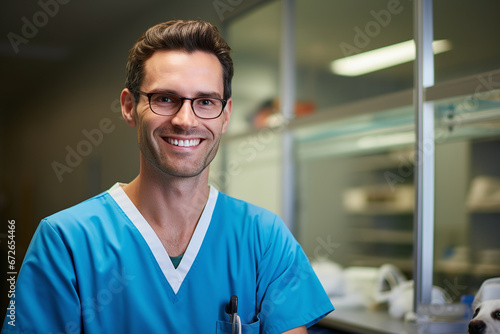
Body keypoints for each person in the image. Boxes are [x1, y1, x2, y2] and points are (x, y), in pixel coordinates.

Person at [2, 20, 334, 333]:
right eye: (165, 98)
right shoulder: (66, 242)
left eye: (205, 101)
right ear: (129, 106)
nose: (185, 120)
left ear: (226, 114)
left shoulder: (264, 239)